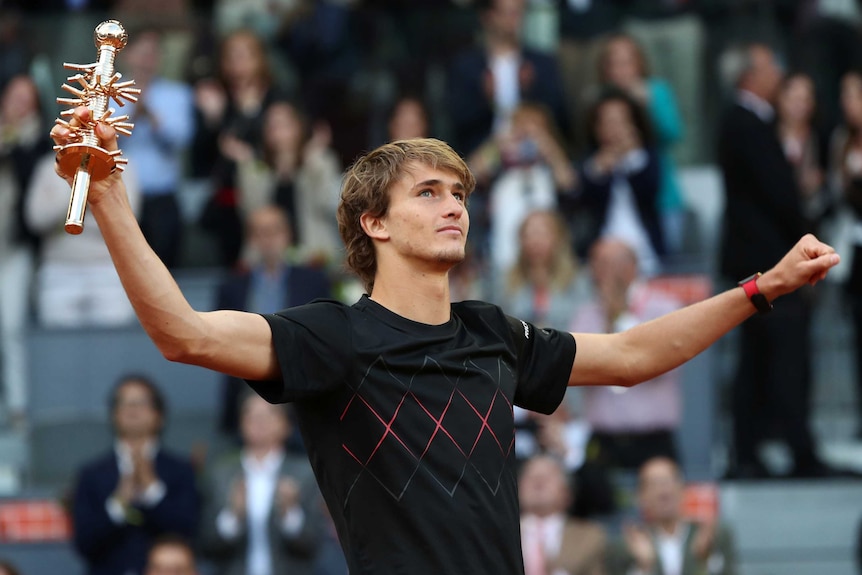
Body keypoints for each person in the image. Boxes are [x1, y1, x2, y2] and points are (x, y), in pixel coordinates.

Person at [51, 106, 840, 575]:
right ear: (375, 222)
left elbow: (633, 357)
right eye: (428, 192)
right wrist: (113, 199)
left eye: (459, 192)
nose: (453, 204)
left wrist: (759, 288)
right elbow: (182, 335)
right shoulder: (334, 335)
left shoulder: (492, 332)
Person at [717, 43, 826, 479]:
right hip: (768, 266)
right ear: (750, 76)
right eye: (770, 67)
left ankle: (755, 452)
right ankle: (790, 450)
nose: (778, 74)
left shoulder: (746, 121)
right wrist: (811, 232)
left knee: (760, 360)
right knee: (779, 359)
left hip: (761, 264)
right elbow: (779, 195)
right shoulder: (746, 121)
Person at [216, 204, 332, 438]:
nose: (268, 239)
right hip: (247, 388)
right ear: (251, 239)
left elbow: (325, 336)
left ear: (288, 235)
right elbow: (221, 343)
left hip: (302, 389)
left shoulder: (313, 281)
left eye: (274, 231)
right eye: (260, 232)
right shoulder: (231, 286)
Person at [570, 237, 684, 471]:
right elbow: (577, 367)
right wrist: (607, 323)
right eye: (596, 264)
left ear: (631, 267)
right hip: (603, 439)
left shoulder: (664, 309)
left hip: (653, 438)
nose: (600, 272)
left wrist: (619, 319)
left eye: (608, 264)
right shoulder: (586, 315)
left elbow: (661, 362)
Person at [71, 374, 200, 575]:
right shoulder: (91, 474)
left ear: (159, 415)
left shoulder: (180, 471)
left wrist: (151, 490)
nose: (132, 410)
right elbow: (84, 543)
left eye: (140, 403)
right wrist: (119, 502)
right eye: (125, 403)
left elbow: (187, 532)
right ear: (114, 414)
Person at [200, 392, 324, 575]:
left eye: (268, 414)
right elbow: (207, 544)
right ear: (240, 423)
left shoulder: (306, 473)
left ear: (287, 425)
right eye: (250, 414)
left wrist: (290, 514)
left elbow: (313, 545)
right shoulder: (221, 473)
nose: (259, 421)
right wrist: (233, 516)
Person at [120, 26, 196, 269]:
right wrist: (132, 112)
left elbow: (181, 139)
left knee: (165, 269)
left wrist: (150, 114)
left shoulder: (177, 94)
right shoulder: (109, 94)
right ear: (127, 55)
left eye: (152, 53)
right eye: (141, 52)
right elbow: (100, 142)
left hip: (163, 199)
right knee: (125, 270)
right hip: (122, 197)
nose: (146, 59)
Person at [573, 87, 665, 276]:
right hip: (602, 254)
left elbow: (650, 191)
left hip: (645, 254)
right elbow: (580, 196)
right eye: (608, 122)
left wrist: (631, 156)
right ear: (596, 127)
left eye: (621, 121)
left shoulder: (646, 157)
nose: (615, 128)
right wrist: (600, 167)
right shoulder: (588, 163)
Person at [606, 457, 736, 575]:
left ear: (683, 489)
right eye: (654, 484)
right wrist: (644, 566)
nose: (663, 491)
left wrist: (705, 559)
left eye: (668, 481)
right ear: (641, 497)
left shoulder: (714, 536)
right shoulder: (626, 546)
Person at [519, 454, 606, 575]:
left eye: (547, 476)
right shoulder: (498, 533)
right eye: (530, 476)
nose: (538, 481)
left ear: (567, 492)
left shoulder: (590, 537)